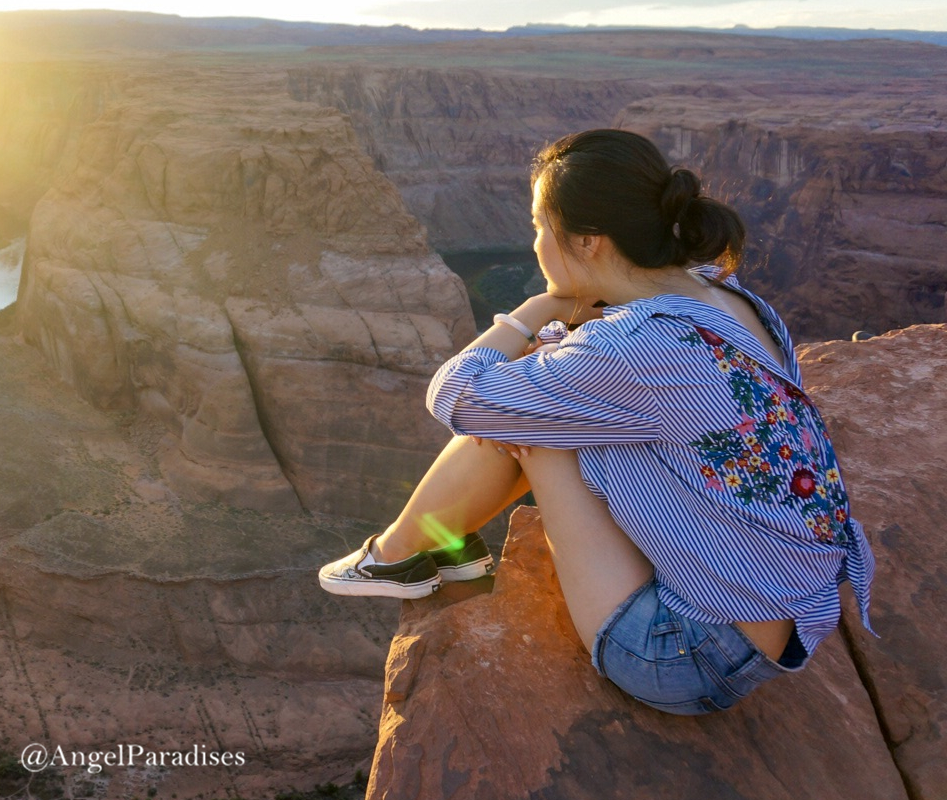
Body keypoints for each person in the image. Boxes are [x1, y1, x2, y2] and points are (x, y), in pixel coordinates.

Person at [318, 128, 875, 716]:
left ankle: (396, 555)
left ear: (588, 240)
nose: (533, 241)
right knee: (547, 393)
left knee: (529, 417)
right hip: (781, 621)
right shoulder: (725, 296)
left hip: (684, 654)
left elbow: (457, 395)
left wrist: (533, 311)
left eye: (539, 225)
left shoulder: (641, 345)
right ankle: (423, 548)